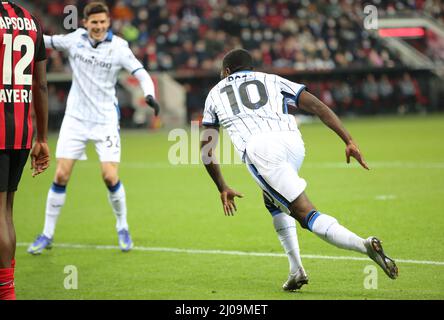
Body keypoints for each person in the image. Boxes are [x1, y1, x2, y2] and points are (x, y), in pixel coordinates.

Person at [200, 49, 398, 291]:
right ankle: (296, 270)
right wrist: (348, 140)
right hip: (293, 143)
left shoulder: (214, 93)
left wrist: (222, 186)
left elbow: (206, 147)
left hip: (261, 149)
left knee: (305, 214)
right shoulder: (271, 78)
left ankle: (364, 245)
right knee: (272, 200)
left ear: (227, 71)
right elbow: (318, 106)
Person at [28, 1, 160, 255]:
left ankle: (122, 227)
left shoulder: (119, 47)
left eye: (102, 22)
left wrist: (149, 94)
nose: (98, 26)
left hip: (105, 120)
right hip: (75, 119)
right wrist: (20, 31)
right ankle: (47, 233)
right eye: (94, 22)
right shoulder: (74, 40)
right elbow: (44, 40)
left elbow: (141, 72)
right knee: (60, 176)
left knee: (109, 176)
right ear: (85, 23)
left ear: (108, 22)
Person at [0, 0, 50, 299]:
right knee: (6, 212)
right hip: (20, 131)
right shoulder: (31, 20)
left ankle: (6, 292)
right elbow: (40, 85)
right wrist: (42, 137)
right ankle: (8, 288)